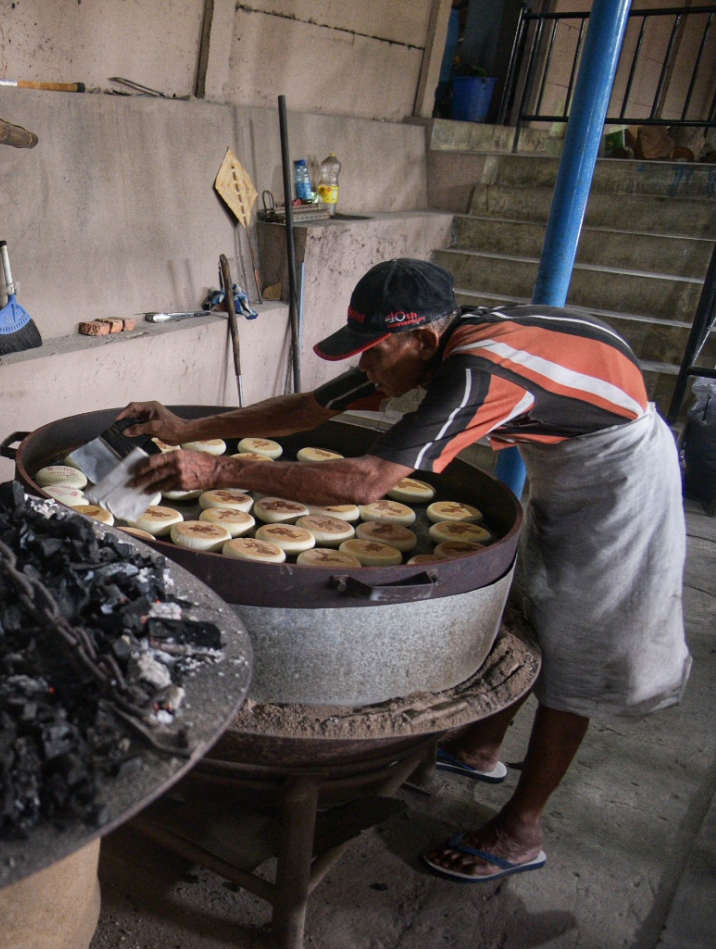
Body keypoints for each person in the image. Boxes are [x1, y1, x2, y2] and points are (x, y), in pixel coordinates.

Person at [120, 257, 690, 883]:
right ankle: (480, 747)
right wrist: (187, 429)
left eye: (372, 352)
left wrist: (221, 471)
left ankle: (523, 829)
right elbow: (309, 409)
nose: (364, 366)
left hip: (619, 477)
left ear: (420, 340)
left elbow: (364, 485)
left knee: (582, 644)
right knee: (539, 605)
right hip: (567, 460)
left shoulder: (475, 372)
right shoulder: (429, 346)